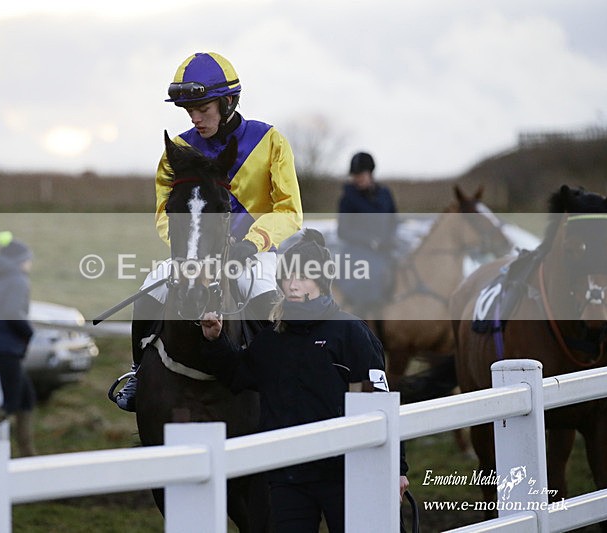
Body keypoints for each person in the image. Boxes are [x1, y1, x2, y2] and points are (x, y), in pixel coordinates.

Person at [112, 51, 303, 412]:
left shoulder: (270, 141)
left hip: (255, 252)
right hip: (194, 254)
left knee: (262, 291)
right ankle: (139, 371)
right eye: (189, 111)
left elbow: (289, 210)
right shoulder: (178, 150)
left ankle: (280, 376)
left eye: (203, 109)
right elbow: (165, 213)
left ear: (228, 101)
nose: (195, 119)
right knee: (150, 287)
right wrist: (192, 253)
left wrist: (251, 244)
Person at [199, 229, 409, 532]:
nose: (292, 284)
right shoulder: (271, 340)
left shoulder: (351, 333)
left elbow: (382, 403)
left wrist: (397, 469)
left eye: (303, 277)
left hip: (344, 474)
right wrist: (215, 340)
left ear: (322, 281)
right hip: (287, 479)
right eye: (287, 277)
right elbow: (236, 374)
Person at [0, 231, 37, 456]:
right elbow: (14, 312)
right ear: (20, 261)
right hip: (7, 350)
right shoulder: (18, 281)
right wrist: (28, 332)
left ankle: (28, 454)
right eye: (28, 259)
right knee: (11, 404)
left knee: (26, 398)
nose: (30, 264)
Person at [335, 151, 398, 317]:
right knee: (368, 279)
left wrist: (389, 239)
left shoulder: (385, 194)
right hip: (358, 252)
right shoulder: (347, 198)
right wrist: (370, 242)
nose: (357, 179)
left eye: (361, 174)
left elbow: (393, 220)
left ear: (370, 173)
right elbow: (343, 231)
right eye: (354, 175)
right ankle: (361, 318)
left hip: (385, 249)